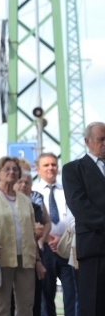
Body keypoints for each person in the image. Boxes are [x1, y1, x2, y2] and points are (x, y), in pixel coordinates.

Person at [0, 157, 43, 316]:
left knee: (26, 306)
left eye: (15, 169)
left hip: (26, 259)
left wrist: (38, 261)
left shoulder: (26, 200)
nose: (12, 172)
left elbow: (32, 234)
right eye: (7, 169)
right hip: (1, 257)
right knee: (2, 306)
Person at [63, 122, 105, 316]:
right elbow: (79, 205)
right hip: (93, 247)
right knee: (93, 305)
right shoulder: (73, 169)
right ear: (88, 141)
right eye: (101, 139)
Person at [35, 152, 78, 316]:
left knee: (72, 292)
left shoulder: (67, 190)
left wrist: (62, 238)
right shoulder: (33, 192)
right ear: (38, 169)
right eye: (46, 165)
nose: (50, 168)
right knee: (46, 293)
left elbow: (74, 216)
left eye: (53, 164)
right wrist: (49, 238)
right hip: (45, 249)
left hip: (67, 247)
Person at [14, 168, 50, 316]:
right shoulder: (4, 204)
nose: (23, 185)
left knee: (33, 300)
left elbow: (39, 230)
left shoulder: (34, 207)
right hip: (10, 256)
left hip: (32, 255)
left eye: (27, 183)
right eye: (20, 181)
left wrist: (38, 259)